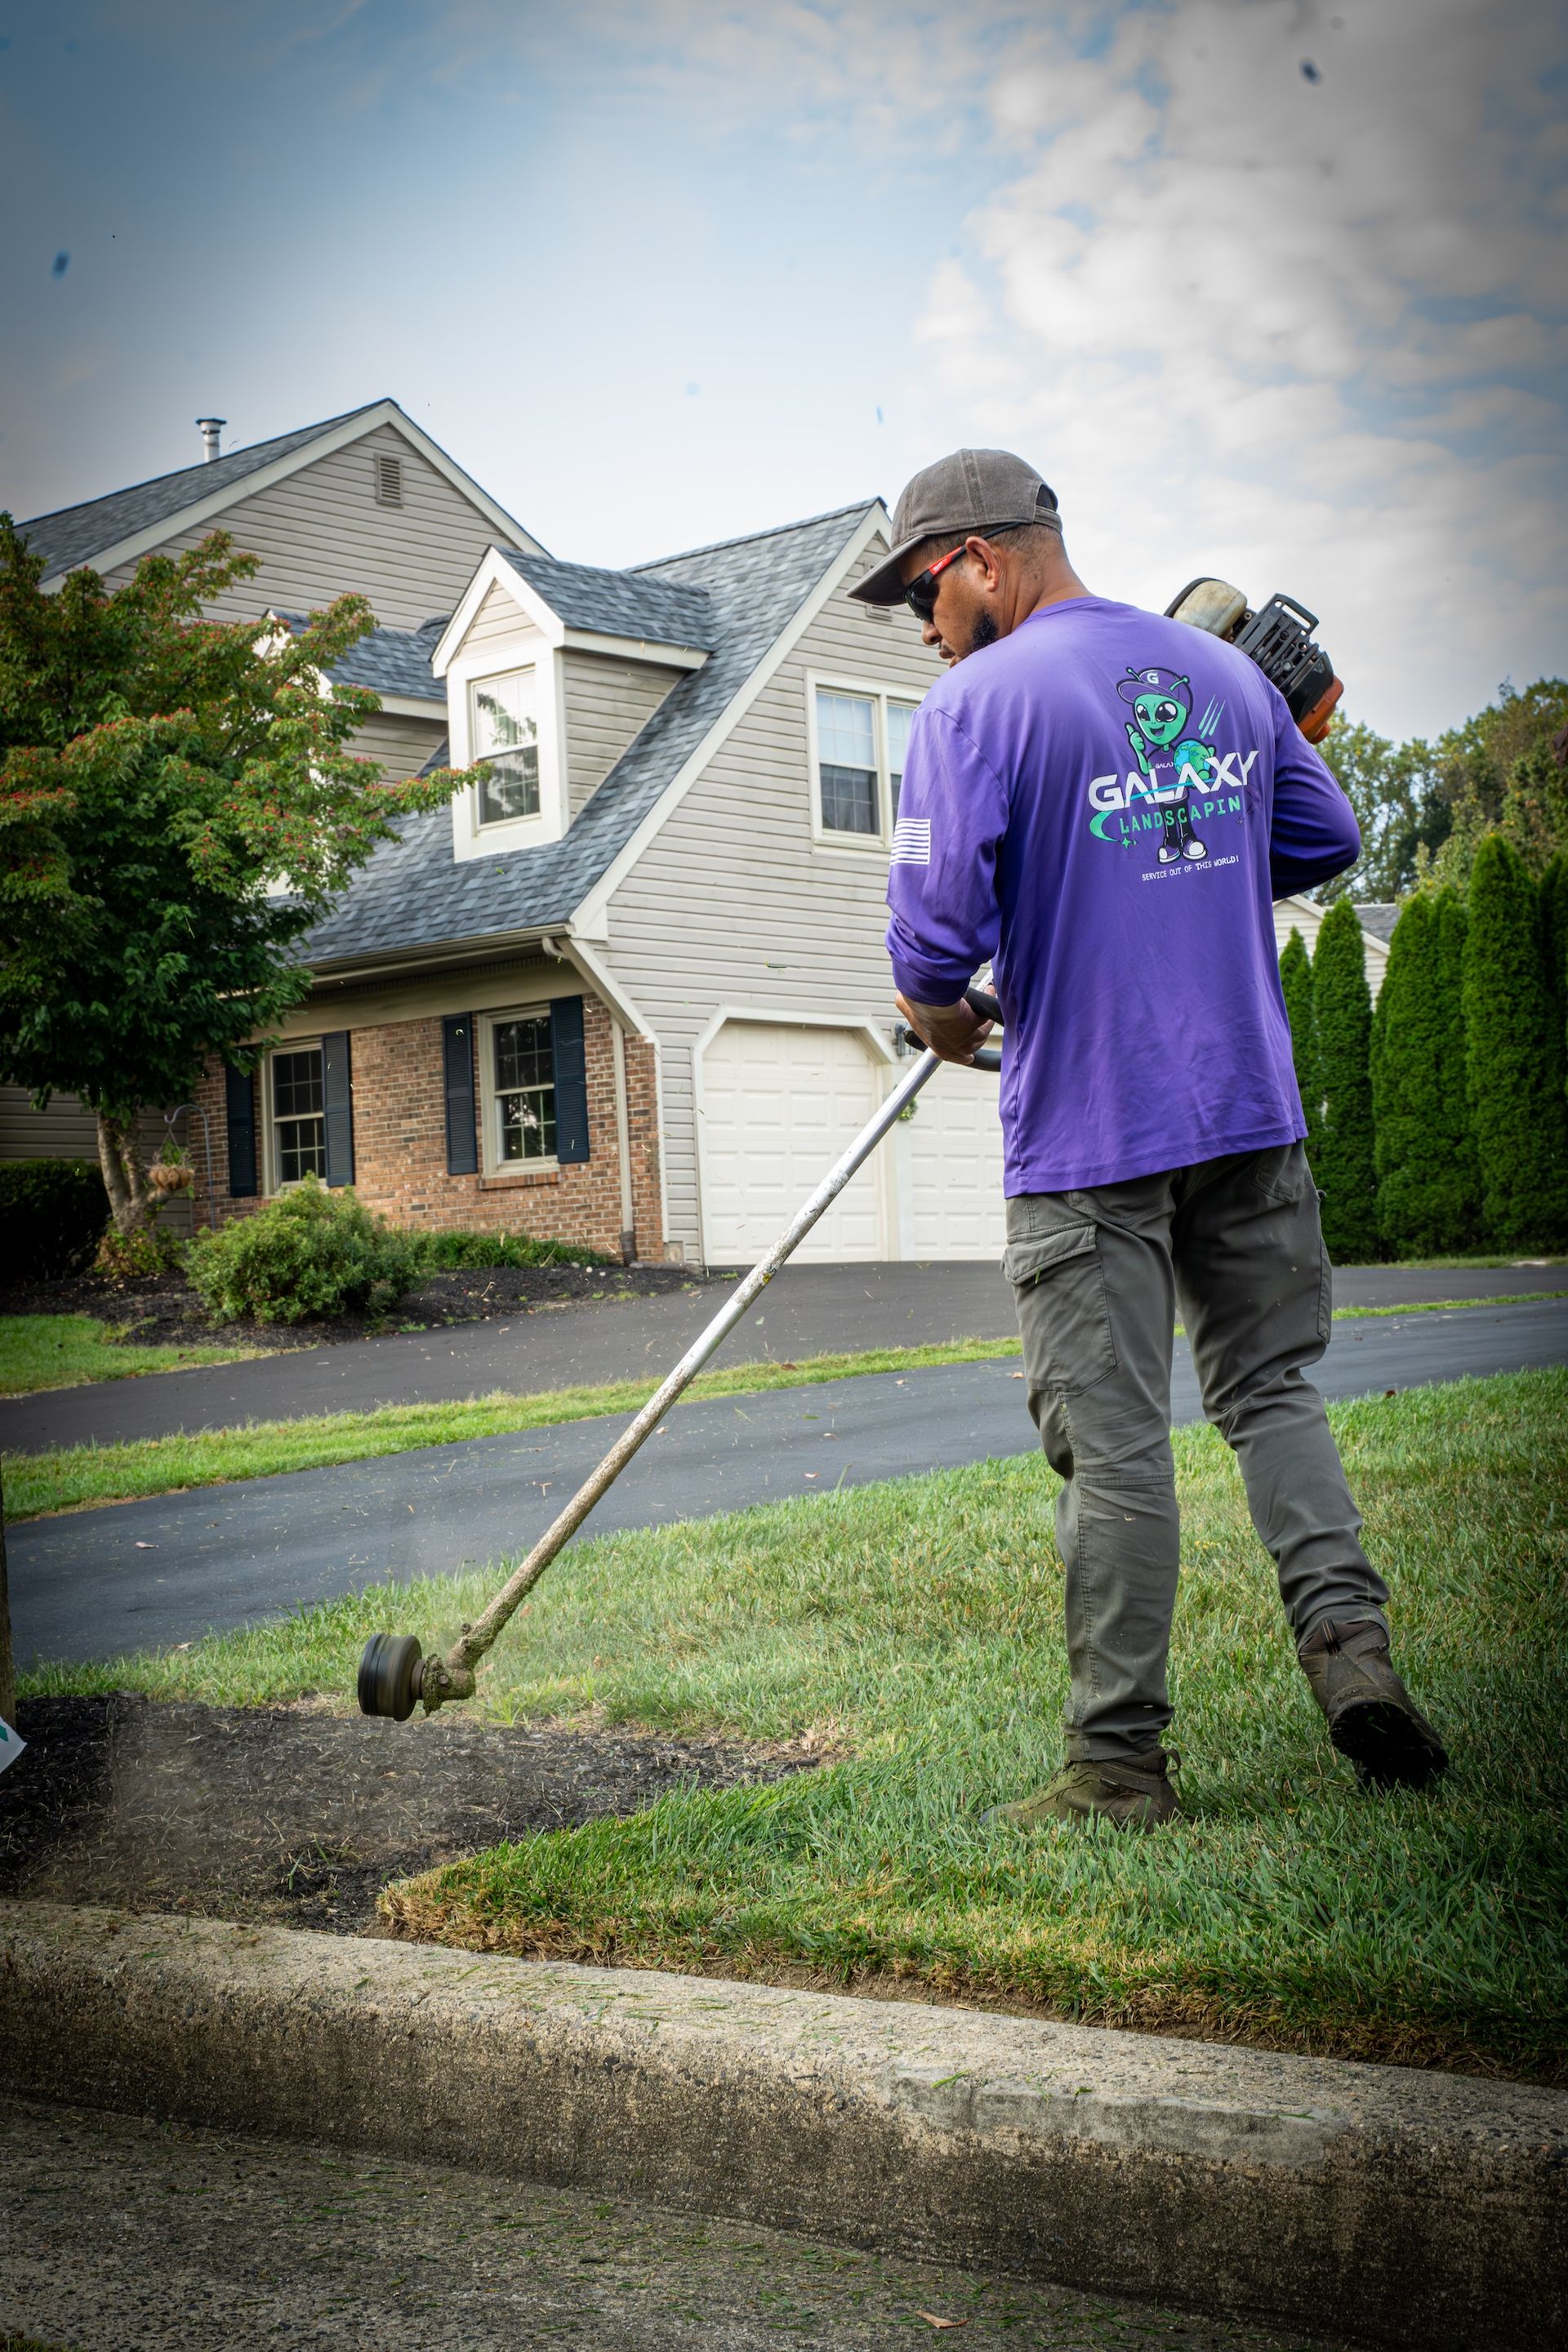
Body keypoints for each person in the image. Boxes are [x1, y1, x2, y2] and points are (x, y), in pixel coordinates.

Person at [851, 448, 1446, 1830]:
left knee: (1114, 1451)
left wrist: (939, 1020)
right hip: (1247, 1106)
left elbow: (933, 948)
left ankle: (1117, 1771)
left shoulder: (974, 705)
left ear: (985, 560)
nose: (921, 629)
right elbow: (1322, 830)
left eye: (921, 596)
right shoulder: (1222, 675)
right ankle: (1357, 1667)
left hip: (1092, 1128)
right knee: (1273, 1397)